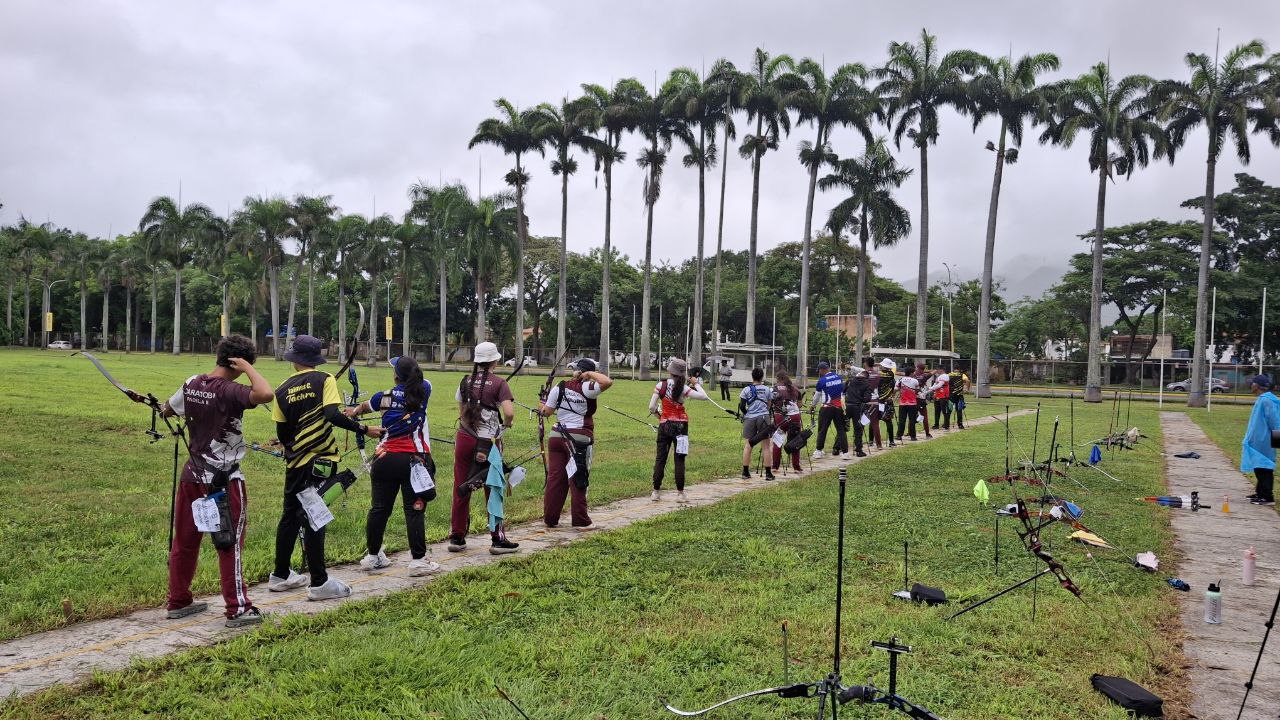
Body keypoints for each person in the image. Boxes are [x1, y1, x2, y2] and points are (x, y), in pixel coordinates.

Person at [162, 335, 274, 627]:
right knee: (229, 544)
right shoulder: (230, 390)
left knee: (185, 542)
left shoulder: (192, 383)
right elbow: (265, 394)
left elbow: (167, 408)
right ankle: (238, 609)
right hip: (223, 482)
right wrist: (249, 369)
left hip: (192, 477)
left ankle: (178, 601)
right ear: (238, 362)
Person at [270, 335, 382, 601]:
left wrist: (293, 449)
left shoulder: (282, 389)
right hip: (320, 462)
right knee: (314, 515)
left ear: (295, 360)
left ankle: (281, 574)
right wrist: (365, 428)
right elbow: (332, 414)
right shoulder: (325, 379)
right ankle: (319, 582)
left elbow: (283, 432)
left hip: (296, 463)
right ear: (315, 359)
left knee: (290, 516)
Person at [343, 355, 440, 577]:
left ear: (396, 376)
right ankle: (418, 561)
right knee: (414, 510)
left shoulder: (382, 397)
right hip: (414, 460)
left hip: (384, 459)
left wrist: (352, 412)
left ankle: (373, 556)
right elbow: (419, 383)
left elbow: (364, 407)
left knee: (379, 509)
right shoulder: (423, 391)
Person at [450, 341, 518, 554]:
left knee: (461, 485)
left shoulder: (465, 381)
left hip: (464, 438)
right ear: (495, 360)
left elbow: (462, 412)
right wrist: (506, 425)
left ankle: (457, 537)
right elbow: (509, 413)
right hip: (488, 442)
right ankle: (497, 539)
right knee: (493, 487)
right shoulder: (499, 383)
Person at [538, 358, 613, 529]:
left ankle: (550, 518)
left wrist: (543, 403)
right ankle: (580, 521)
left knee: (555, 478)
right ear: (588, 373)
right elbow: (607, 381)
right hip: (578, 438)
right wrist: (589, 374)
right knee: (578, 477)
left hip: (556, 437)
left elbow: (547, 412)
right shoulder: (588, 387)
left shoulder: (560, 386)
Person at [649, 358, 708, 502]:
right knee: (679, 459)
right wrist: (696, 383)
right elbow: (704, 397)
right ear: (682, 374)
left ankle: (656, 492)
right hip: (681, 426)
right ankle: (680, 494)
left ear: (670, 371)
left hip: (665, 425)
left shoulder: (661, 385)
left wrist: (660, 416)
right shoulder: (684, 388)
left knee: (660, 459)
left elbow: (651, 407)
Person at [1242, 374, 1280, 506]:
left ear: (1257, 386)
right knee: (1259, 466)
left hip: (1264, 440)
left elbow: (1275, 421)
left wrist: (1277, 440)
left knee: (1265, 467)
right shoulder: (1262, 399)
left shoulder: (1267, 400)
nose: (1251, 385)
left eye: (1252, 383)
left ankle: (1267, 496)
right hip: (1257, 439)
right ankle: (1260, 492)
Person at [738, 367, 776, 479]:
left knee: (748, 445)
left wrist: (746, 414)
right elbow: (769, 404)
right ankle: (768, 474)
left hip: (750, 418)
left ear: (752, 376)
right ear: (762, 377)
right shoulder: (767, 389)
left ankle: (745, 472)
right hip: (764, 417)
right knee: (766, 446)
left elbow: (741, 406)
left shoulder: (746, 390)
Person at [810, 361, 848, 459]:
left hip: (826, 408)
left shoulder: (822, 380)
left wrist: (812, 406)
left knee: (822, 430)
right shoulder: (839, 378)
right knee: (841, 430)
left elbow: (817, 396)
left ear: (823, 369)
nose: (819, 373)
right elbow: (842, 392)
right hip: (839, 408)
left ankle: (819, 451)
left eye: (819, 371)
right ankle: (845, 453)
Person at [770, 371, 804, 474]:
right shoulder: (795, 387)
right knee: (795, 441)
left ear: (778, 378)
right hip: (795, 417)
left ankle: (775, 466)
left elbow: (770, 403)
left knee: (778, 441)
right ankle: (796, 467)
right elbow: (800, 404)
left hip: (780, 418)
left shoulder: (775, 388)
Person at [844, 362, 873, 457]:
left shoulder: (850, 381)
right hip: (858, 407)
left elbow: (843, 390)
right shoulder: (867, 383)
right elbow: (867, 398)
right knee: (858, 429)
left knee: (843, 427)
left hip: (847, 406)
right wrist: (861, 399)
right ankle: (858, 450)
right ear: (866, 377)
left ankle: (837, 448)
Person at [875, 358, 898, 449]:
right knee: (888, 421)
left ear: (882, 366)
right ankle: (891, 441)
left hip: (878, 400)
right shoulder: (891, 374)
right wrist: (892, 363)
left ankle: (871, 440)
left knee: (874, 420)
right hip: (887, 401)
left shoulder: (877, 374)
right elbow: (894, 366)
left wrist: (877, 364)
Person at [896, 374, 920, 442]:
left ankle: (899, 435)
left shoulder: (900, 380)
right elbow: (917, 390)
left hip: (902, 403)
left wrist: (893, 395)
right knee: (912, 420)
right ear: (911, 373)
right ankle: (913, 437)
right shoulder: (915, 380)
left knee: (901, 420)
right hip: (912, 403)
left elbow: (896, 389)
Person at [912, 362, 933, 439]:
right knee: (924, 416)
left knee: (912, 416)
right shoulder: (925, 375)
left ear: (917, 367)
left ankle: (910, 433)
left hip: (914, 398)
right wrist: (925, 371)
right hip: (921, 399)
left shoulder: (913, 375)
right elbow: (933, 372)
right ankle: (927, 434)